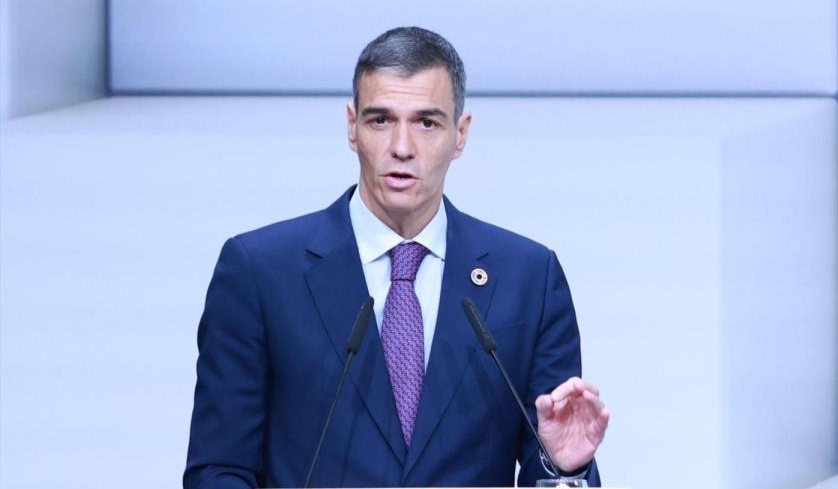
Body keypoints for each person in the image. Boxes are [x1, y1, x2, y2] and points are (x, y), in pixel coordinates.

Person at [184, 27, 610, 488]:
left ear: (460, 134)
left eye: (427, 122)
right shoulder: (260, 272)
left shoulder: (528, 277)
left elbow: (554, 465)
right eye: (381, 120)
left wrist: (564, 469)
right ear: (352, 127)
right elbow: (220, 470)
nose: (402, 148)